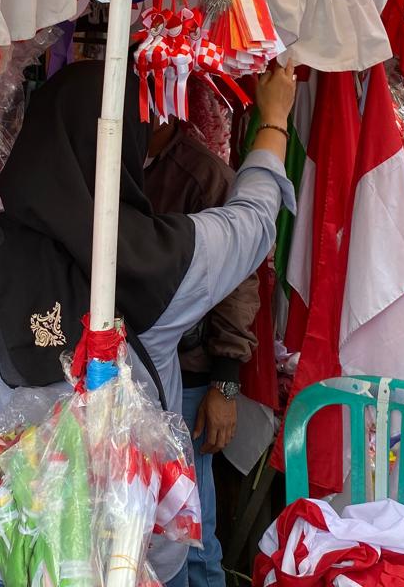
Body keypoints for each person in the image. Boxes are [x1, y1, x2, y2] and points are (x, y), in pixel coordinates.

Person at [0, 59, 297, 587]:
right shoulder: (172, 258)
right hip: (128, 560)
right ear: (130, 147)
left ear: (36, 139)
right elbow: (254, 218)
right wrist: (273, 120)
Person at [144, 117, 259, 587]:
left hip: (188, 379)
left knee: (189, 529)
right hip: (121, 370)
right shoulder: (113, 160)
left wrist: (225, 384)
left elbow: (238, 283)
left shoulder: (204, 177)